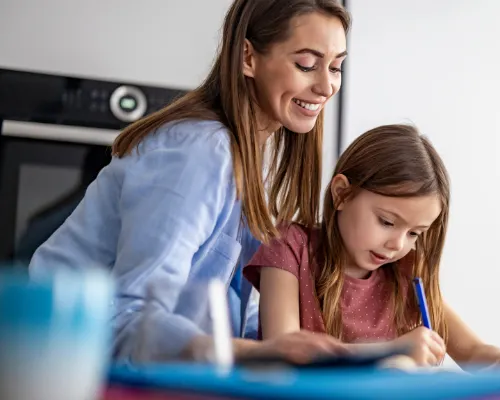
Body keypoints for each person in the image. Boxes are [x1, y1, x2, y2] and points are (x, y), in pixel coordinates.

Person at [28, 0, 351, 365]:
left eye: (337, 67)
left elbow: (226, 311)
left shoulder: (252, 160)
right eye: (306, 64)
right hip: (53, 359)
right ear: (248, 58)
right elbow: (128, 317)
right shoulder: (201, 150)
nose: (327, 85)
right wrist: (255, 352)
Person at [244, 124, 500, 371]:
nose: (397, 244)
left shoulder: (406, 271)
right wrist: (389, 352)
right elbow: (282, 351)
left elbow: (471, 351)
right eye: (387, 222)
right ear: (342, 194)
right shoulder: (290, 247)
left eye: (415, 233)